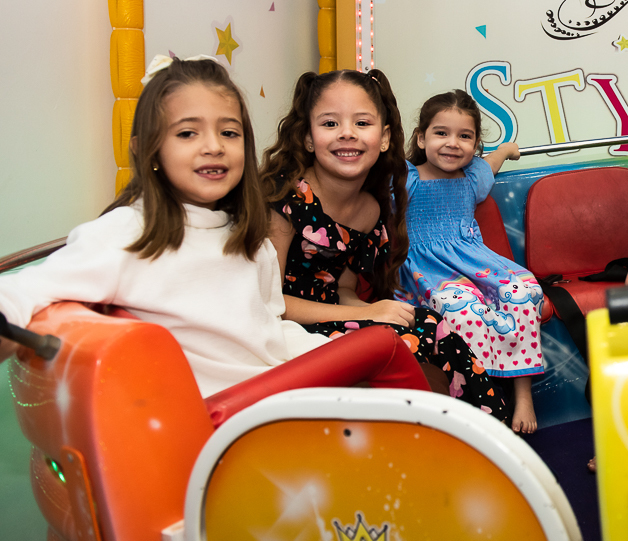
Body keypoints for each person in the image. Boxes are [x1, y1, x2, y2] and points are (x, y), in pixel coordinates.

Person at [0, 56, 429, 398]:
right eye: (188, 133)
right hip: (226, 416)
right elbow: (21, 292)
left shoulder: (247, 236)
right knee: (386, 354)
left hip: (277, 393)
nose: (213, 147)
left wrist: (334, 353)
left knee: (389, 353)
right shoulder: (127, 234)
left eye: (229, 133)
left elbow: (270, 329)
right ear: (148, 150)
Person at [261, 70, 509, 419]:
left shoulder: (370, 210)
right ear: (307, 138)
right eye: (330, 124)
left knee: (432, 325)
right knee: (404, 344)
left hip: (336, 316)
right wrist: (365, 313)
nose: (347, 133)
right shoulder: (286, 200)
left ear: (384, 138)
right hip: (288, 328)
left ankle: (485, 431)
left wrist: (374, 309)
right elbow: (269, 304)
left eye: (362, 123)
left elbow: (342, 287)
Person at [397, 90, 544, 434]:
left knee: (525, 291)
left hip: (474, 259)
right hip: (427, 267)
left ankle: (523, 392)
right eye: (441, 133)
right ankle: (483, 400)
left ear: (475, 144)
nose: (453, 143)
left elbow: (491, 163)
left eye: (464, 136)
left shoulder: (472, 177)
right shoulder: (407, 178)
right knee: (465, 311)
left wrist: (506, 150)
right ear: (421, 138)